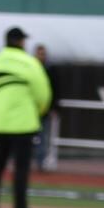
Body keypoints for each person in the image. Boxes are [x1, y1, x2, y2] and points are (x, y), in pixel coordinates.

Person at [0, 27, 49, 208]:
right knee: (21, 169)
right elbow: (42, 93)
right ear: (21, 42)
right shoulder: (30, 62)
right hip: (23, 123)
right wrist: (37, 111)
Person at [33, 44, 61, 172]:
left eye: (43, 54)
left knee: (44, 137)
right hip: (30, 110)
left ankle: (40, 163)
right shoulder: (30, 68)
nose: (41, 56)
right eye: (39, 53)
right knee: (27, 137)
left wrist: (54, 107)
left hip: (45, 109)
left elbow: (56, 89)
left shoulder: (50, 69)